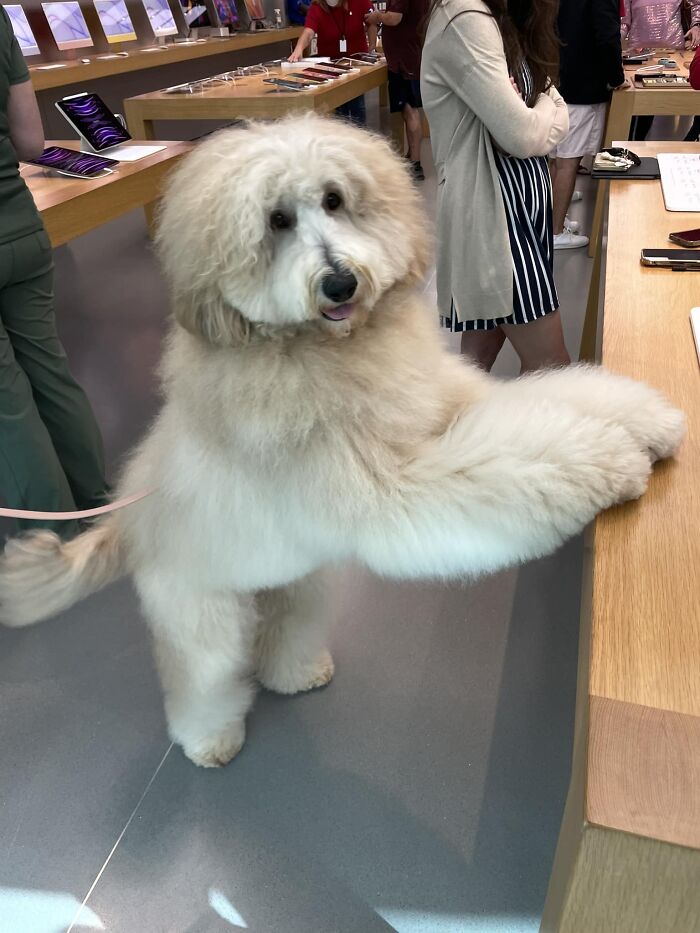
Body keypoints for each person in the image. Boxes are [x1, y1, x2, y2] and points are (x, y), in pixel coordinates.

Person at [0, 5, 108, 539]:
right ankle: (95, 501)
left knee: (6, 398)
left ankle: (53, 538)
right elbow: (28, 143)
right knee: (48, 367)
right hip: (19, 224)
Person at [421, 0, 571, 373]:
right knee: (551, 368)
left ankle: (453, 427)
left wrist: (538, 110)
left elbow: (547, 101)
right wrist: (543, 110)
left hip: (518, 208)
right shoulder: (466, 18)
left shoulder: (501, 17)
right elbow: (522, 134)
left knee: (477, 360)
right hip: (496, 217)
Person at [550, 0, 628, 250]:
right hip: (582, 83)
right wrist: (616, 77)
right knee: (568, 160)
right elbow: (606, 35)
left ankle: (551, 221)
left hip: (559, 75)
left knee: (556, 156)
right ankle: (555, 230)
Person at [364, 0, 428, 180]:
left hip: (404, 61)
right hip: (408, 57)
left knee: (410, 109)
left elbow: (394, 18)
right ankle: (412, 156)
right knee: (409, 109)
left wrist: (378, 17)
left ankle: (415, 163)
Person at [288, 0, 378, 124]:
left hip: (356, 62)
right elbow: (308, 32)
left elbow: (371, 23)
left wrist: (372, 46)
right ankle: (341, 137)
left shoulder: (360, 2)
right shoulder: (317, 7)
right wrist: (298, 50)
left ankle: (359, 136)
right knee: (338, 105)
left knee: (356, 104)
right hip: (331, 65)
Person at [622, 0, 700, 138]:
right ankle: (636, 146)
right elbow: (624, 20)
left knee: (678, 114)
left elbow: (697, 3)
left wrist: (696, 25)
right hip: (639, 54)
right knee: (639, 111)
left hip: (674, 52)